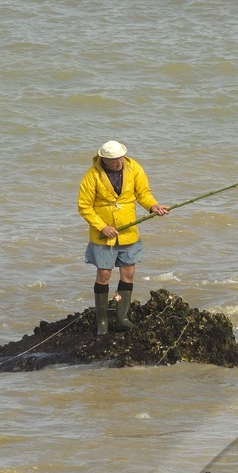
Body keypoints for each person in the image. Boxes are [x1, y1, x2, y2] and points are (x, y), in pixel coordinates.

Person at [78, 140, 170, 337]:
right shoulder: (92, 175)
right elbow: (84, 206)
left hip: (128, 233)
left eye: (120, 158)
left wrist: (153, 206)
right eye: (113, 160)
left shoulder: (134, 167)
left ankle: (122, 318)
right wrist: (103, 226)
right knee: (104, 275)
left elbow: (143, 193)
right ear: (103, 159)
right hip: (103, 236)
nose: (118, 162)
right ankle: (102, 322)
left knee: (128, 274)